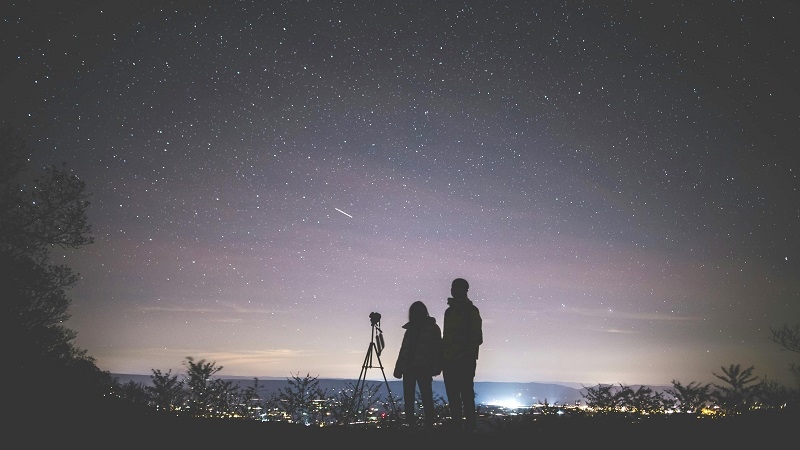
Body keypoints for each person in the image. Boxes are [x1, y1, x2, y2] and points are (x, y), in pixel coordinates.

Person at [393, 300, 443, 429]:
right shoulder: (411, 330)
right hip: (411, 368)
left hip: (423, 368)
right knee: (412, 398)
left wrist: (436, 366)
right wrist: (399, 367)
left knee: (425, 397)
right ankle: (413, 425)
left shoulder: (431, 328)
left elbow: (437, 349)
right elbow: (404, 350)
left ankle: (428, 425)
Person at [442, 277, 482, 431]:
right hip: (450, 360)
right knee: (454, 397)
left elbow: (476, 337)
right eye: (453, 287)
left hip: (463, 360)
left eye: (457, 287)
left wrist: (466, 354)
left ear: (465, 290)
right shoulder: (449, 311)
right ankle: (458, 428)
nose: (453, 290)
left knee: (465, 395)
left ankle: (469, 429)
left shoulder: (471, 311)